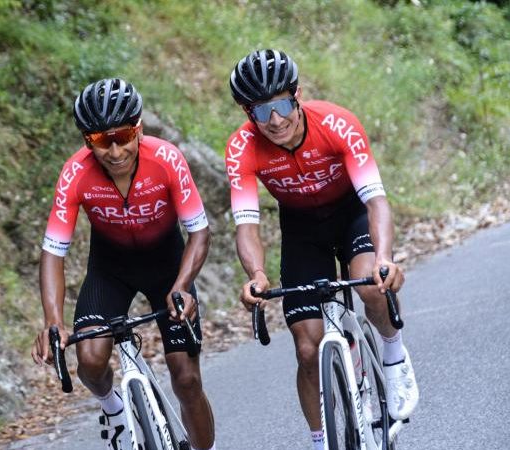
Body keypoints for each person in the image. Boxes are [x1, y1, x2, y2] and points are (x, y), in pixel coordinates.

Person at [225, 49, 419, 450]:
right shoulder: (241, 148)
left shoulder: (336, 122)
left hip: (351, 214)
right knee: (307, 346)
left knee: (371, 285)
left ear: (296, 95)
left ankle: (394, 354)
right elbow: (246, 224)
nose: (275, 120)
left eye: (281, 105)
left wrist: (384, 257)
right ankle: (321, 440)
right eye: (261, 112)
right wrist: (257, 276)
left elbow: (376, 201)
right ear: (248, 113)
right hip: (301, 230)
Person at [32, 78, 216, 450]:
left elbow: (199, 233)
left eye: (123, 136)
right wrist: (53, 321)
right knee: (90, 359)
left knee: (186, 379)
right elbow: (53, 252)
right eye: (101, 140)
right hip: (110, 271)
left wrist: (181, 286)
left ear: (139, 129)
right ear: (88, 141)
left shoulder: (166, 159)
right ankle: (113, 408)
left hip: (168, 269)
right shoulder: (75, 174)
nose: (115, 150)